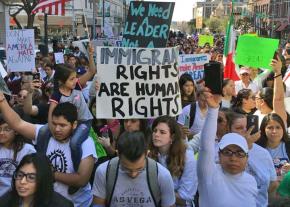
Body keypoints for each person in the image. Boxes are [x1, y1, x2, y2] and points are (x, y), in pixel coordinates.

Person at [0, 98, 97, 207]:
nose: (57, 129)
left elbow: (81, 180)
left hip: (79, 204)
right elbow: (17, 123)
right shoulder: (44, 133)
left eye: (62, 125)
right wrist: (2, 101)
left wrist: (49, 174)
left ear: (74, 124)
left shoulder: (85, 142)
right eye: (54, 124)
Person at [197, 88, 257, 207]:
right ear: (219, 155)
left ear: (247, 158)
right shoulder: (209, 174)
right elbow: (206, 147)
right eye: (228, 152)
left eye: (240, 153)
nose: (233, 158)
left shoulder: (251, 181)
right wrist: (213, 110)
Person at [92, 131, 176, 207]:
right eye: (126, 169)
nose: (133, 174)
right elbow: (98, 203)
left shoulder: (162, 175)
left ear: (147, 154)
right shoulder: (104, 171)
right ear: (118, 155)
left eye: (140, 169)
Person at [49, 53, 95, 171]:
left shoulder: (77, 85)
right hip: (70, 125)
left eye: (75, 77)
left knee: (74, 143)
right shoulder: (57, 95)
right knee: (44, 131)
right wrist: (53, 131)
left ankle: (77, 169)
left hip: (84, 122)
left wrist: (90, 53)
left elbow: (92, 71)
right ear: (61, 81)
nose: (75, 80)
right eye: (71, 79)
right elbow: (51, 115)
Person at [227, 112, 278, 207]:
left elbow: (272, 183)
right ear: (229, 130)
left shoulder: (263, 153)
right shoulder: (224, 153)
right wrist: (244, 145)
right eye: (239, 128)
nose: (246, 130)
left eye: (248, 126)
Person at [149, 116, 197, 206]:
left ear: (173, 137)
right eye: (155, 131)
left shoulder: (187, 157)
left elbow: (185, 198)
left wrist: (158, 192)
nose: (156, 134)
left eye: (162, 132)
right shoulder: (149, 155)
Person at [0, 153, 73, 207]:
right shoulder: (6, 200)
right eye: (20, 175)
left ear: (43, 179)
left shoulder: (61, 205)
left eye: (31, 177)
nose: (22, 181)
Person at [0, 115, 36, 196]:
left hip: (19, 196)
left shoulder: (27, 150)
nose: (1, 133)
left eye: (7, 129)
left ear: (16, 131)